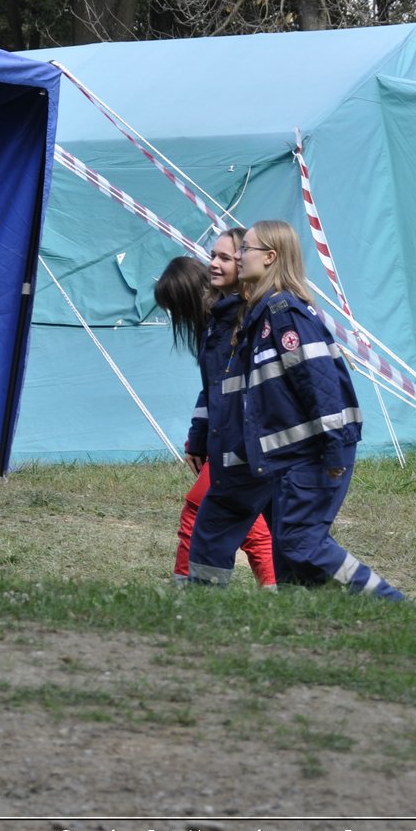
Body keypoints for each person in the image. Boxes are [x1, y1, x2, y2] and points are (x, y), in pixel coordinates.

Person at [186, 219, 404, 600]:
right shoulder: (258, 316)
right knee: (289, 550)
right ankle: (300, 610)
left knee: (302, 543)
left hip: (314, 455)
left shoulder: (285, 314)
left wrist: (335, 450)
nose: (236, 257)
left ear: (270, 258)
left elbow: (322, 386)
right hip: (283, 458)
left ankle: (388, 602)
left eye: (243, 250)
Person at [153, 236, 275, 587]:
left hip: (243, 441)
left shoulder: (230, 325)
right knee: (244, 519)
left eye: (174, 309)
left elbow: (230, 392)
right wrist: (198, 439)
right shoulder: (216, 328)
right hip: (227, 440)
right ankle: (272, 587)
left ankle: (188, 587)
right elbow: (212, 390)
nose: (176, 318)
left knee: (199, 509)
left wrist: (210, 441)